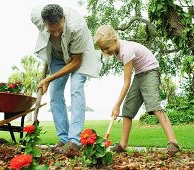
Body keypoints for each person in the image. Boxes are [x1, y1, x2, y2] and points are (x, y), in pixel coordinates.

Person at [94, 25, 180, 154]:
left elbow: (126, 82)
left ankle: (173, 142)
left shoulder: (125, 51)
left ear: (115, 40)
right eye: (103, 49)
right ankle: (123, 145)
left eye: (107, 48)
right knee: (128, 108)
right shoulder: (118, 51)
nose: (106, 51)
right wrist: (120, 105)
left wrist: (116, 105)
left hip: (150, 71)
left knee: (153, 105)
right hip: (140, 74)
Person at [30, 4, 101, 154]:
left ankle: (74, 141)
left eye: (59, 30)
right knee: (55, 93)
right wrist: (51, 79)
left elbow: (76, 62)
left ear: (64, 18)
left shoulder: (77, 26)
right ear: (44, 23)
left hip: (79, 56)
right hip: (57, 55)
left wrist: (49, 78)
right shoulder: (36, 16)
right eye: (51, 30)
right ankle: (63, 138)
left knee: (76, 89)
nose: (55, 34)